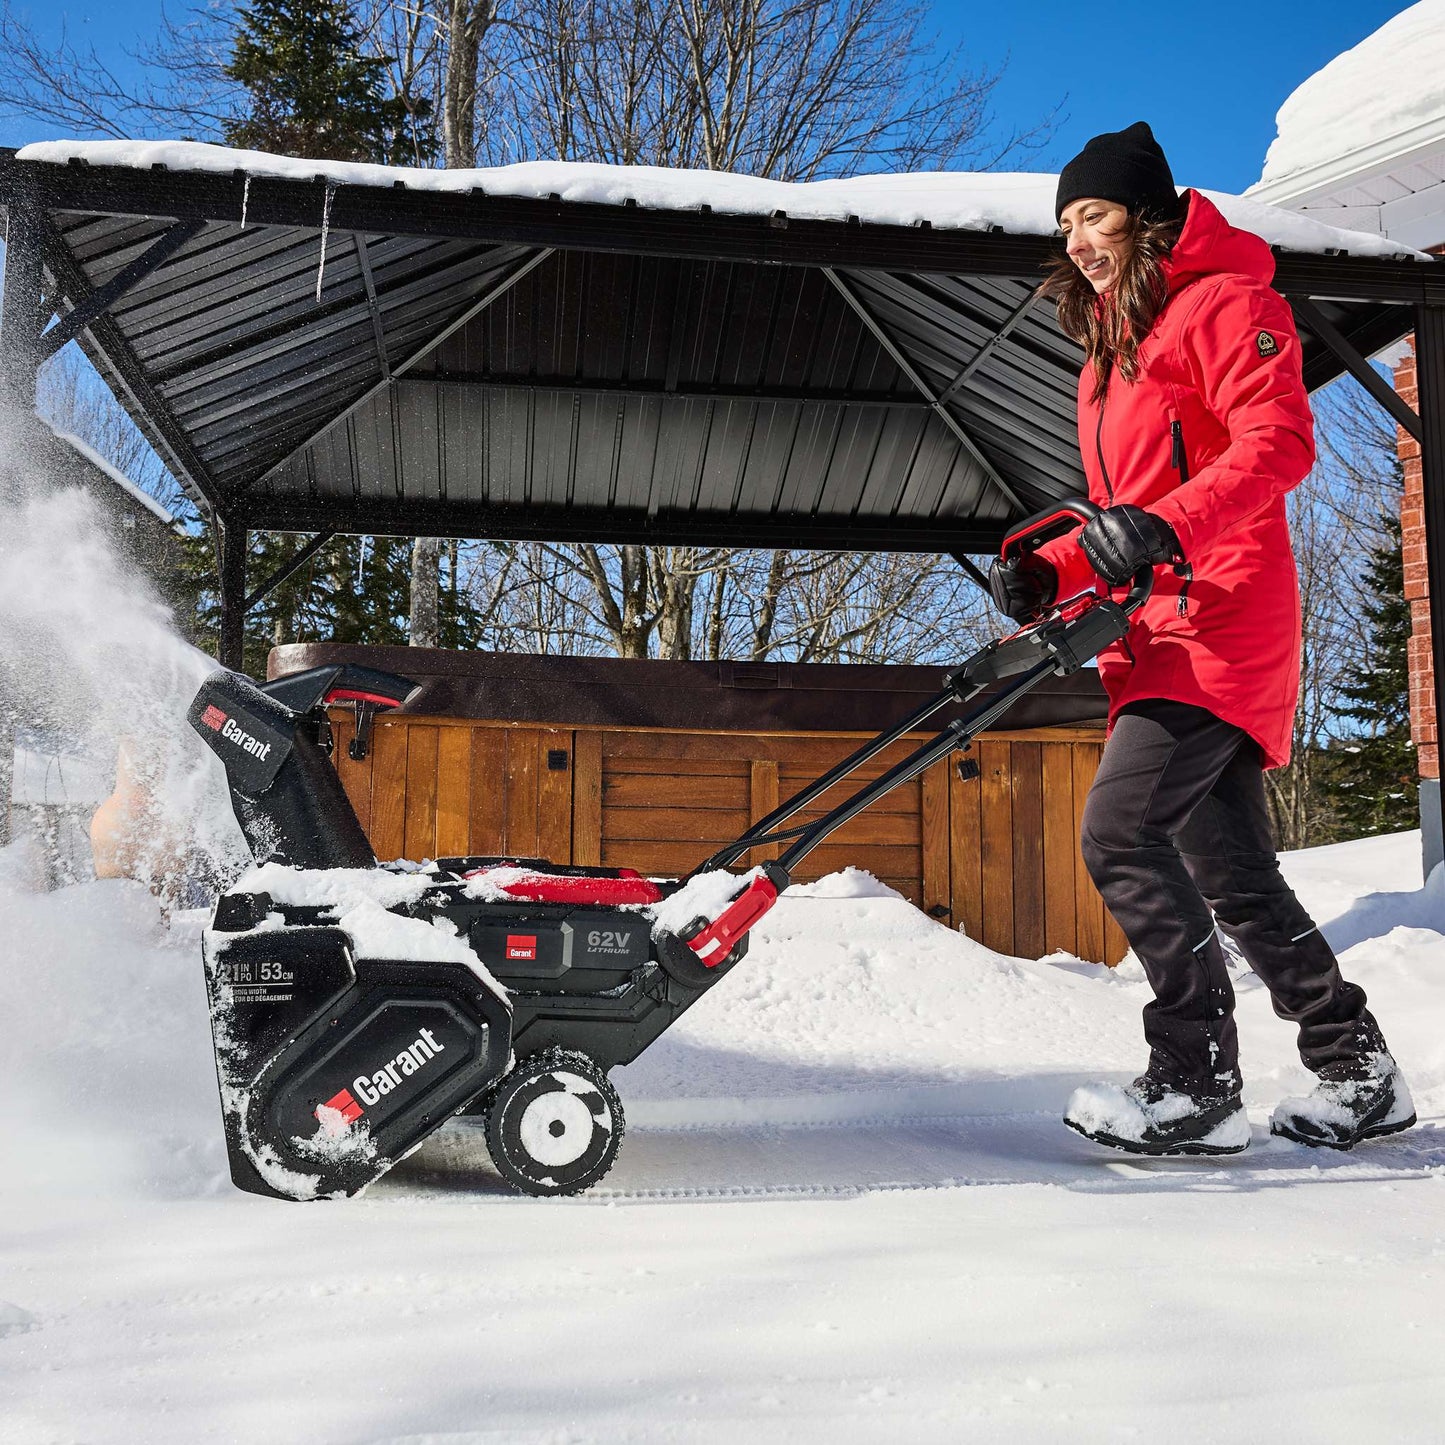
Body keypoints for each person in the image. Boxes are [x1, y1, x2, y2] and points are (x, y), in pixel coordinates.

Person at [987, 121, 1414, 1157]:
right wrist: (1054, 570)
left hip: (1221, 616)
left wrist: (1165, 527)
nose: (1079, 239)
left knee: (1117, 831)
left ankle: (1193, 1075)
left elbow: (1277, 444)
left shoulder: (1227, 304)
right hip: (1155, 627)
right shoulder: (1108, 356)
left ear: (1147, 212)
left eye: (1094, 214)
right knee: (1229, 871)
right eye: (1065, 223)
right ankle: (1354, 1066)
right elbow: (1125, 516)